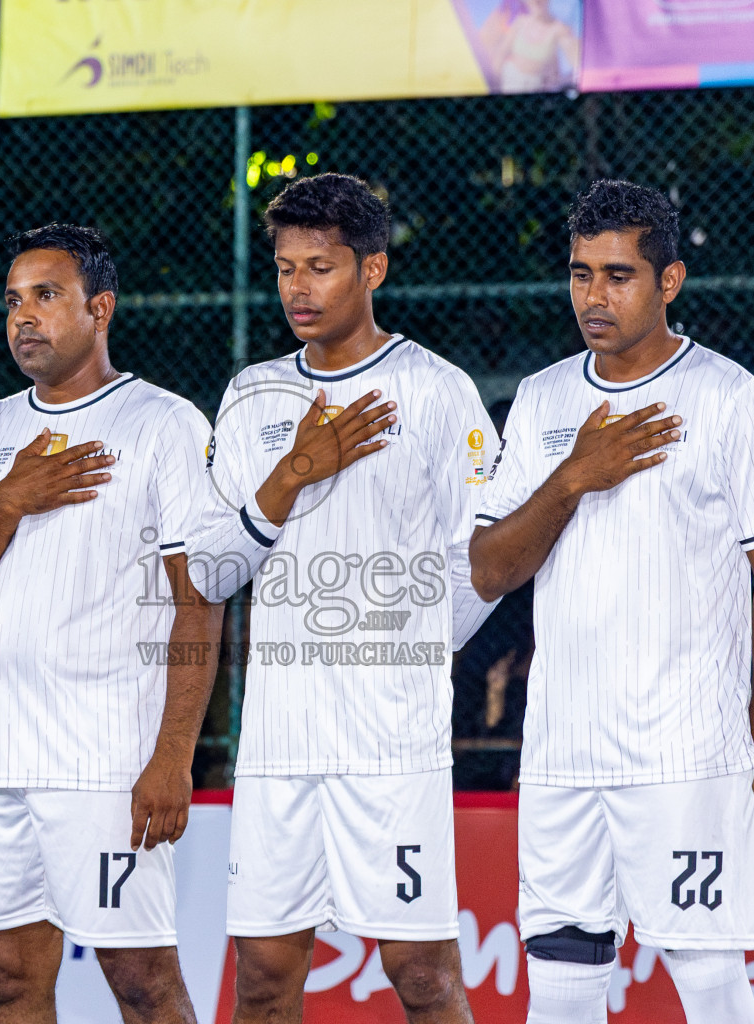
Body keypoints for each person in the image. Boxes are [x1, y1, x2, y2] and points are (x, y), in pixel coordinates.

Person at [469, 180, 754, 1024]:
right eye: (580, 275)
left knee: (713, 989)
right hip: (562, 756)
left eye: (618, 276)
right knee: (561, 989)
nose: (594, 297)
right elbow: (490, 567)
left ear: (670, 280)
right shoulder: (543, 400)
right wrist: (572, 477)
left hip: (686, 754)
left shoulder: (728, 398)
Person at [188, 173, 497, 1024]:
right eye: (286, 267)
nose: (297, 288)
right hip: (280, 743)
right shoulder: (253, 396)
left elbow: (481, 564)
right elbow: (211, 570)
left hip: (391, 745)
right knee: (261, 982)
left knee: (425, 977)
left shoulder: (438, 392)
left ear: (373, 270)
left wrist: (412, 657)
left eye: (319, 267)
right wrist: (290, 475)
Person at [0, 224, 218, 1023]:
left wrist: (174, 754)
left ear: (100, 308)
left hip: (108, 761)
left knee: (144, 986)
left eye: (47, 296)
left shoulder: (164, 423)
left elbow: (200, 600)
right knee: (6, 984)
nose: (24, 317)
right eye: (14, 300)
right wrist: (8, 499)